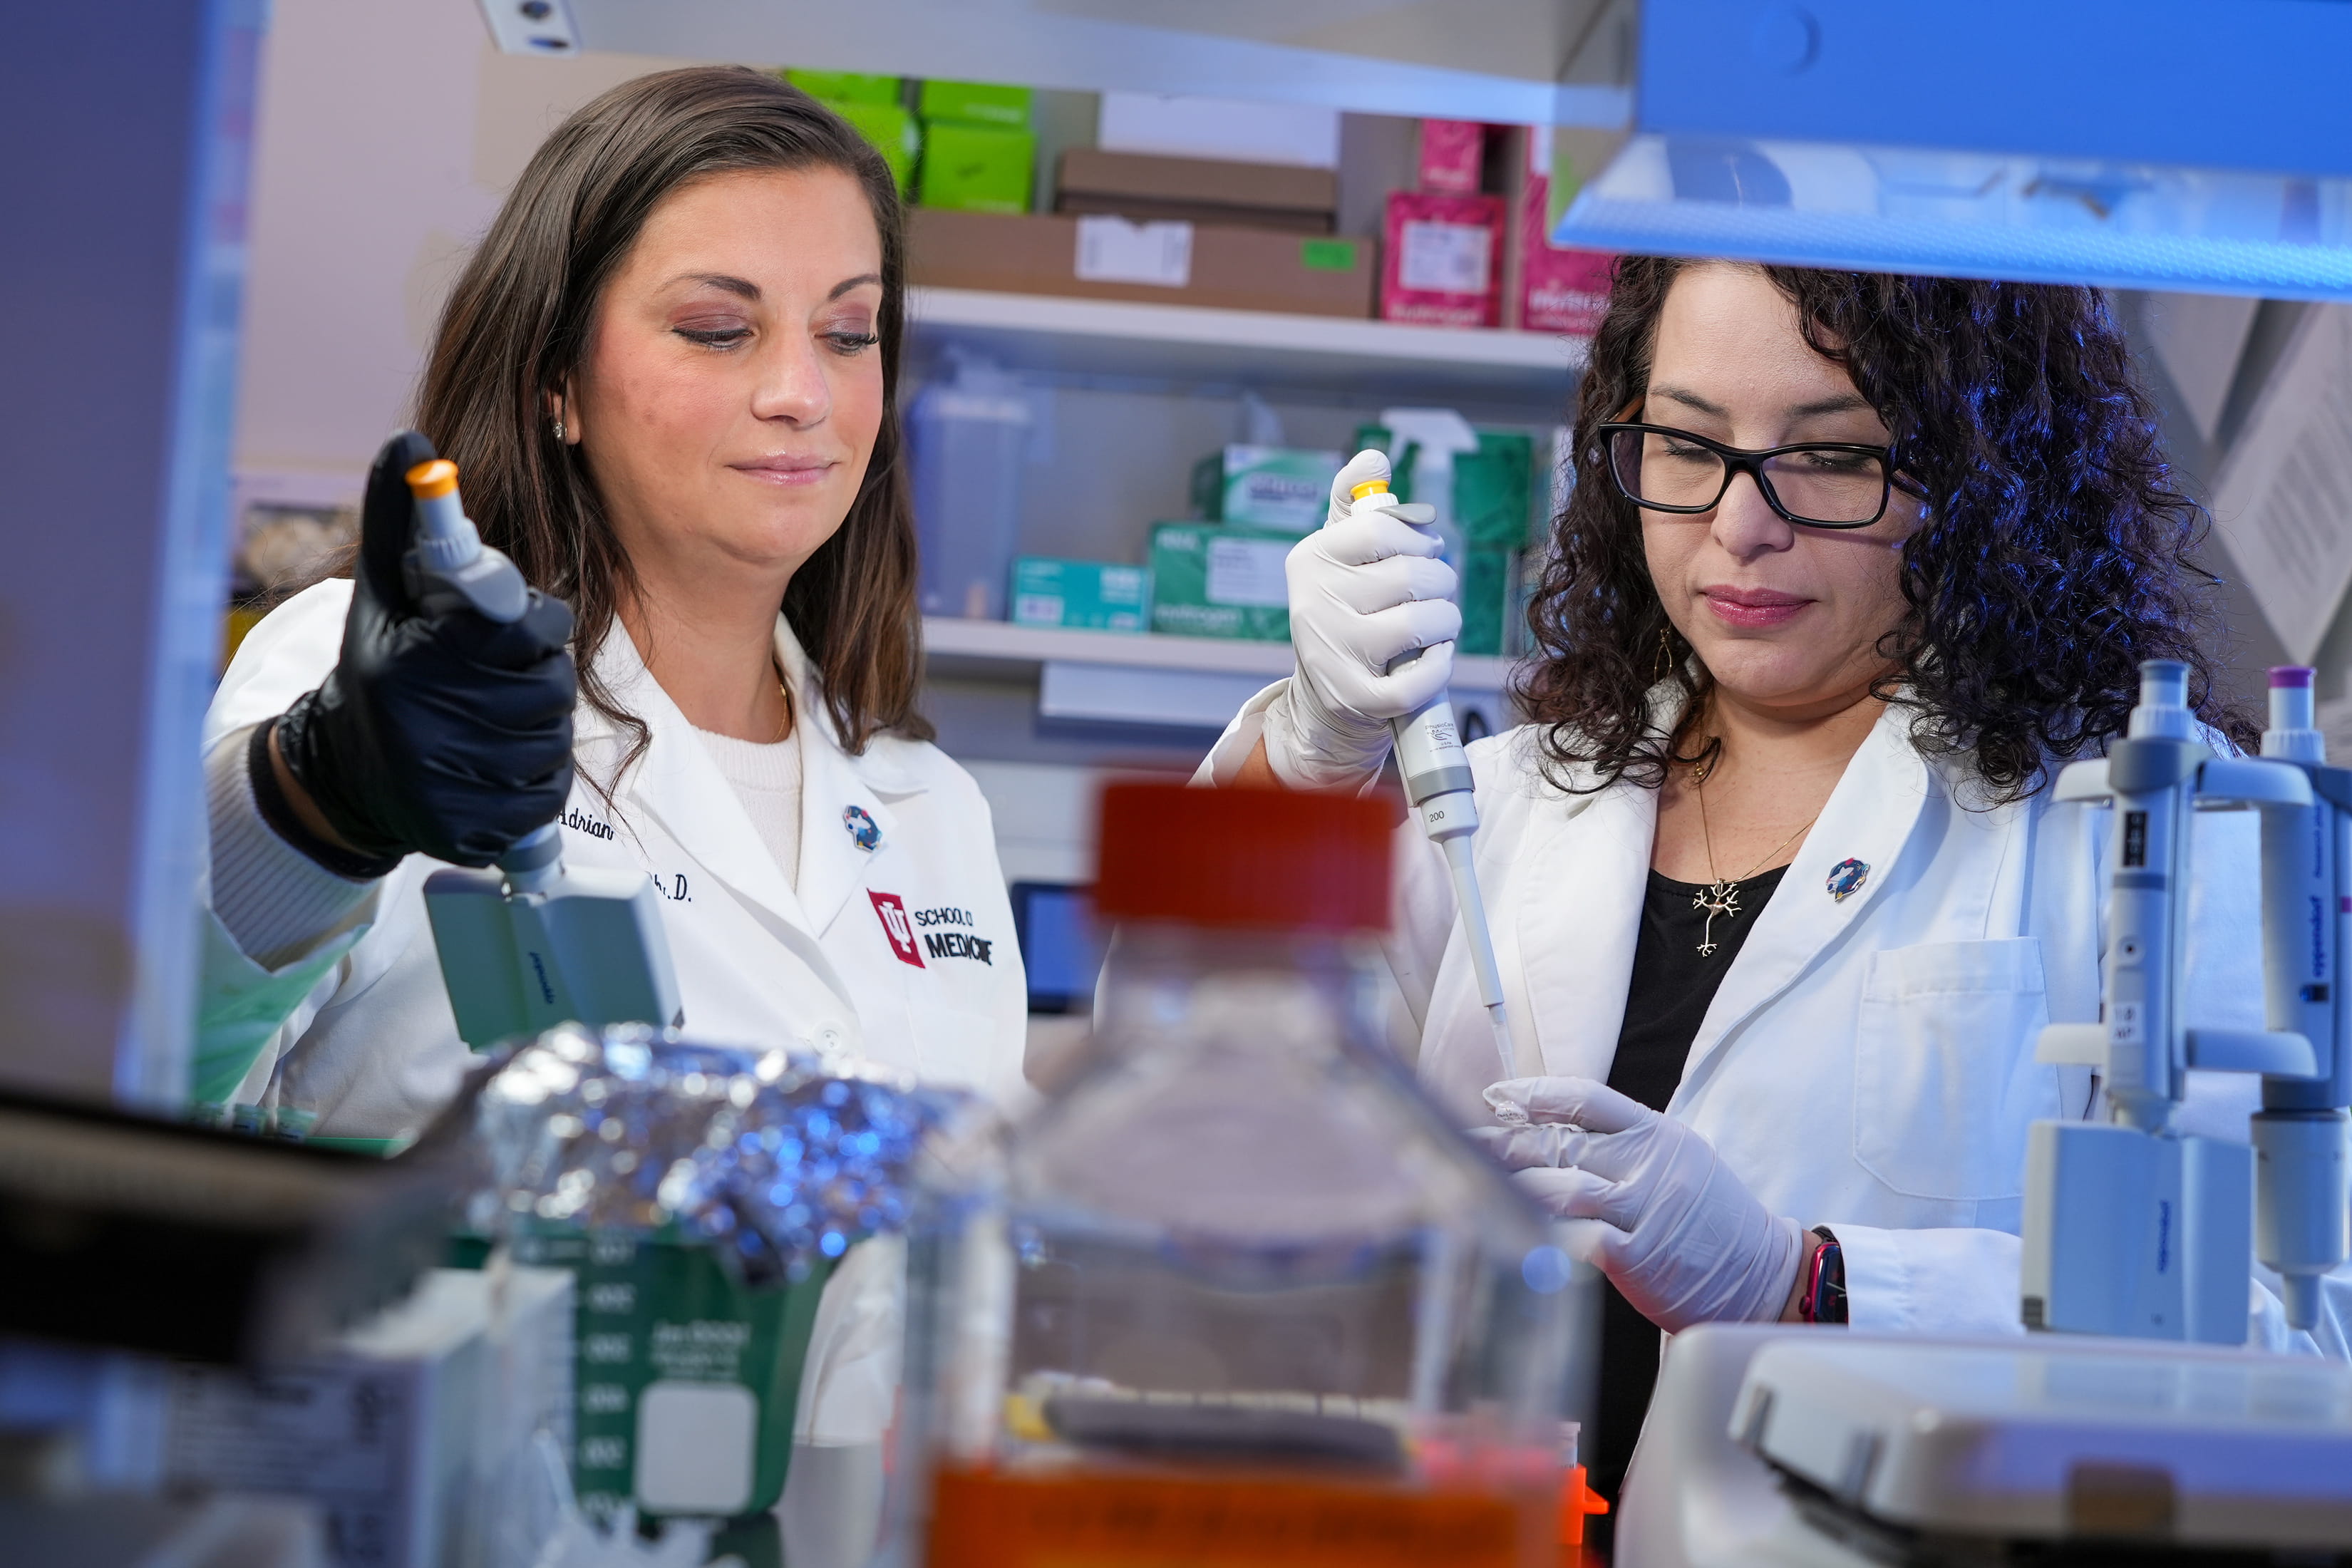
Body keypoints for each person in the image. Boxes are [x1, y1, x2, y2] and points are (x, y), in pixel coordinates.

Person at [1205, 259, 2352, 1522]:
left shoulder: (2162, 821)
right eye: (1687, 445)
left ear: (1988, 474)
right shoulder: (1506, 804)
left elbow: (2305, 1342)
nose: (1741, 526)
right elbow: (1197, 1091)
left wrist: (1812, 1286)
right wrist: (1306, 749)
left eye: (1837, 457)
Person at [196, 66, 1024, 1547]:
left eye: (850, 330)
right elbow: (156, 1049)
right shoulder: (367, 673)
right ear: (557, 383)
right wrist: (321, 795)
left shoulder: (929, 803)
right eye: (720, 327)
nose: (804, 390)